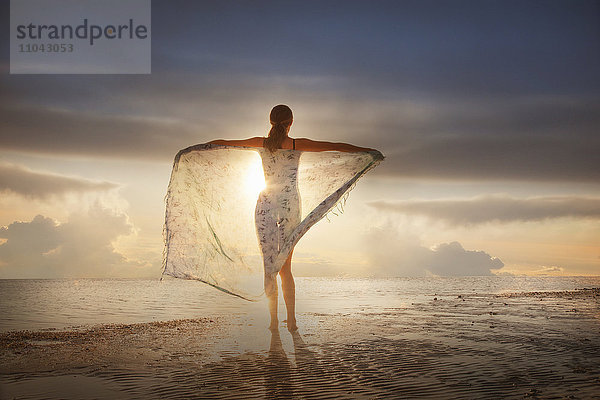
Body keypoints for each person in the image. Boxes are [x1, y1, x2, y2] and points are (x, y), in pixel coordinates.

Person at [209, 105, 380, 331]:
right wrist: (368, 150)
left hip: (265, 205)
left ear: (271, 122)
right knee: (285, 268)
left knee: (269, 266)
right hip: (289, 206)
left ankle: (272, 322)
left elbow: (224, 142)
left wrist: (195, 148)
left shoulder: (261, 143)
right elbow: (335, 146)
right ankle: (291, 320)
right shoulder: (295, 144)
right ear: (291, 122)